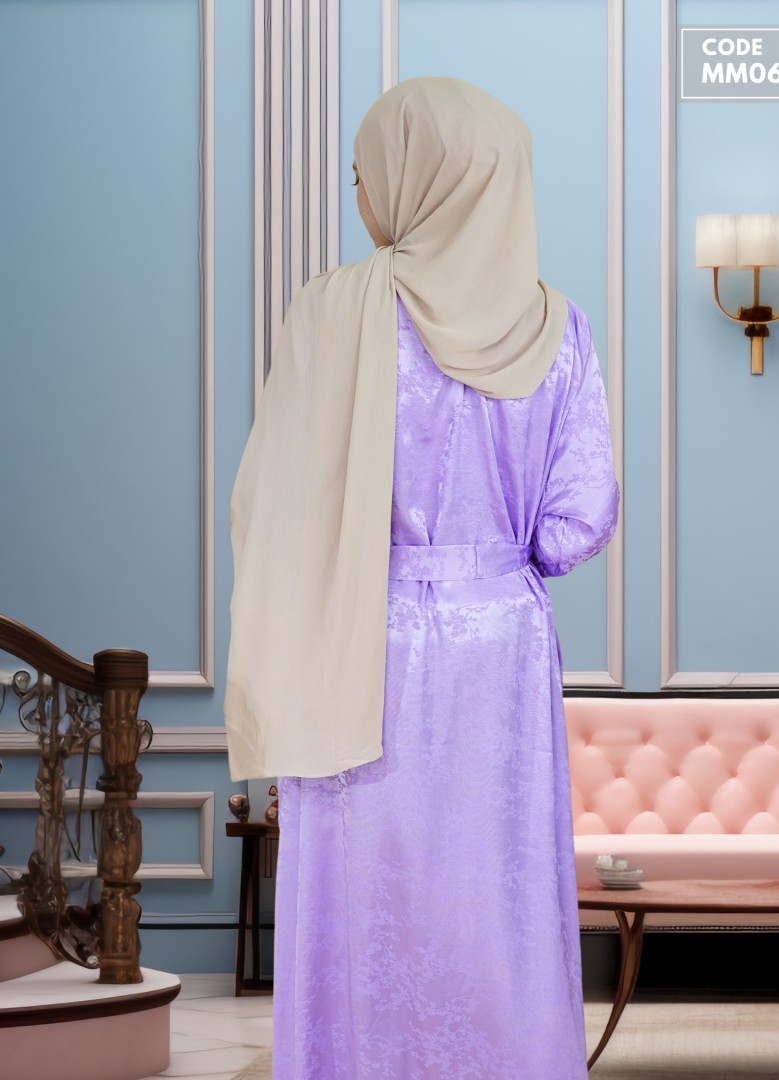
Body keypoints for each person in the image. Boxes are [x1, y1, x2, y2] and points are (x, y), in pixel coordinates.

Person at [226, 76, 618, 1079]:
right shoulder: (560, 328)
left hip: (360, 638)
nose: (360, 190)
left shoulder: (331, 311)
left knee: (364, 896)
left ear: (416, 178)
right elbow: (580, 522)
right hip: (501, 644)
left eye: (365, 171)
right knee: (495, 895)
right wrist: (497, 557)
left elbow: (274, 502)